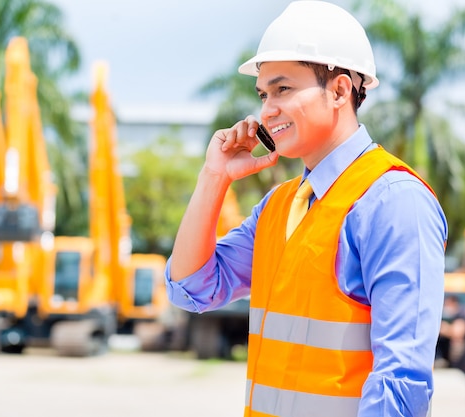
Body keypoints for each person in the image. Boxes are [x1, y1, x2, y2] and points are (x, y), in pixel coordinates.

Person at [165, 1, 448, 416]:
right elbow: (191, 288)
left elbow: (401, 379)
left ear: (339, 91)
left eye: (283, 89)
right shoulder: (279, 207)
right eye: (263, 94)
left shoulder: (394, 201)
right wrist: (214, 177)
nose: (267, 109)